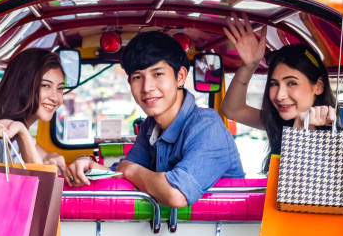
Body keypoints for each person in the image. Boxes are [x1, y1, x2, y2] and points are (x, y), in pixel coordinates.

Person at [67, 31, 245, 207]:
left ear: (180, 77)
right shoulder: (150, 127)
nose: (147, 87)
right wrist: (88, 164)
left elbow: (176, 194)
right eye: (138, 77)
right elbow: (120, 172)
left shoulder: (207, 126)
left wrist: (132, 170)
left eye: (157, 74)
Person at [221, 14, 337, 171]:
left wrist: (302, 130)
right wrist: (249, 66)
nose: (279, 95)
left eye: (292, 83)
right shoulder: (282, 122)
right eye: (274, 84)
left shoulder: (333, 132)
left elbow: (296, 189)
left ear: (318, 86)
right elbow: (233, 110)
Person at [0, 49, 70, 179]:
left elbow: (41, 153)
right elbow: (42, 184)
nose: (56, 98)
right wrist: (21, 132)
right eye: (45, 86)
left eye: (60, 88)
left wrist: (50, 157)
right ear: (23, 85)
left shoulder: (8, 121)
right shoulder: (7, 132)